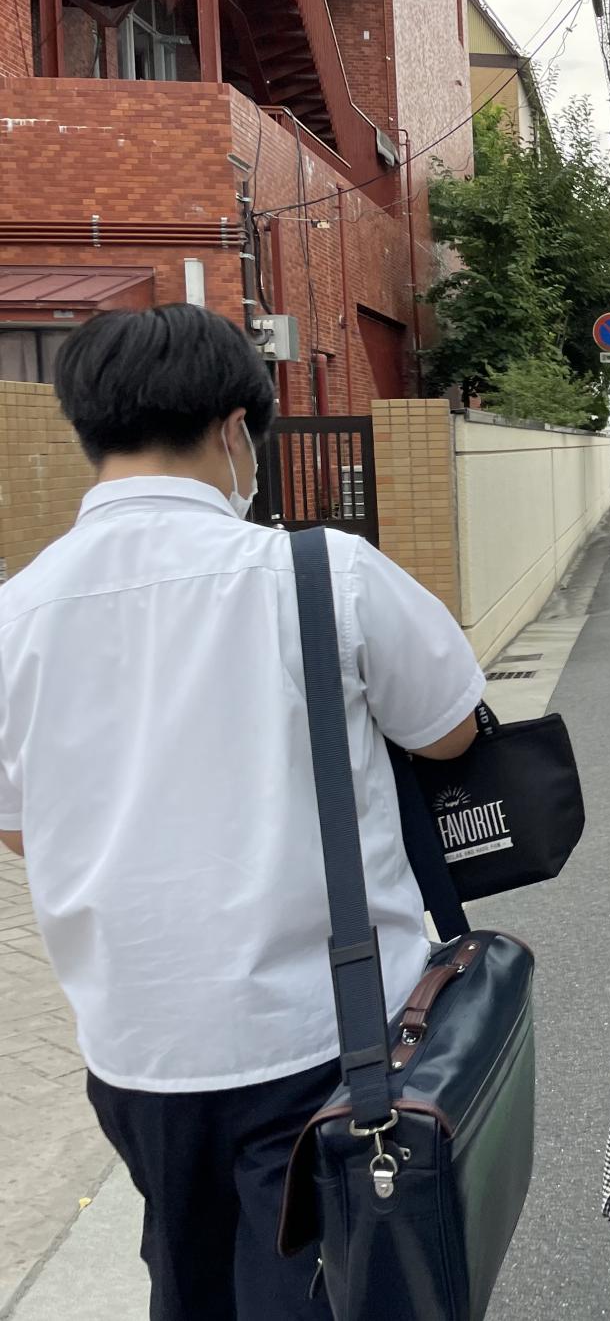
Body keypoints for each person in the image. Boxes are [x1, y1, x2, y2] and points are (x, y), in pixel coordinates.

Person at [0, 306, 488, 1321]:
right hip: (326, 1032)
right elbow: (450, 730)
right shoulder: (324, 576)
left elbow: (21, 823)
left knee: (189, 1273)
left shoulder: (17, 612)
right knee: (322, 1280)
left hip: (134, 1043)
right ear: (235, 432)